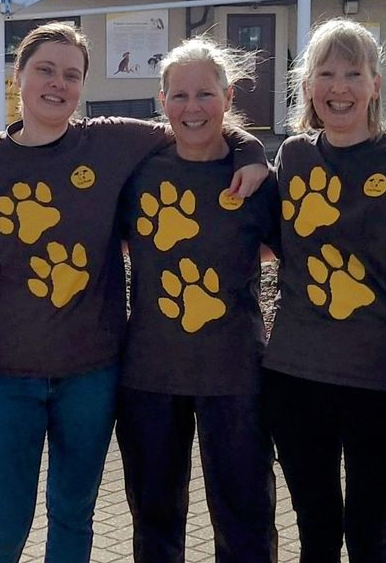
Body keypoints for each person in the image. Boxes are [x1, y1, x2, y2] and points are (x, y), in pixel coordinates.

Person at [0, 22, 266, 563]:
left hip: (91, 374)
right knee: (3, 524)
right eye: (45, 69)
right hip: (3, 376)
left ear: (83, 86)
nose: (57, 83)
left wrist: (251, 149)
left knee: (74, 517)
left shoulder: (111, 140)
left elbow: (197, 125)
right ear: (18, 76)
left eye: (71, 74)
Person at [262, 18, 386, 562]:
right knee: (316, 536)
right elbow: (264, 245)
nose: (339, 87)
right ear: (307, 87)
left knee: (372, 538)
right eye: (326, 73)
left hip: (380, 378)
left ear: (376, 84)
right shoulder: (293, 157)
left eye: (354, 73)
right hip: (295, 375)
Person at [116, 37, 279, 562]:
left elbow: (308, 258)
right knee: (155, 520)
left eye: (205, 94)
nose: (192, 108)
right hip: (149, 373)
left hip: (235, 374)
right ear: (161, 101)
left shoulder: (256, 183)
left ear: (228, 97)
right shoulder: (136, 173)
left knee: (245, 520)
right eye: (179, 95)